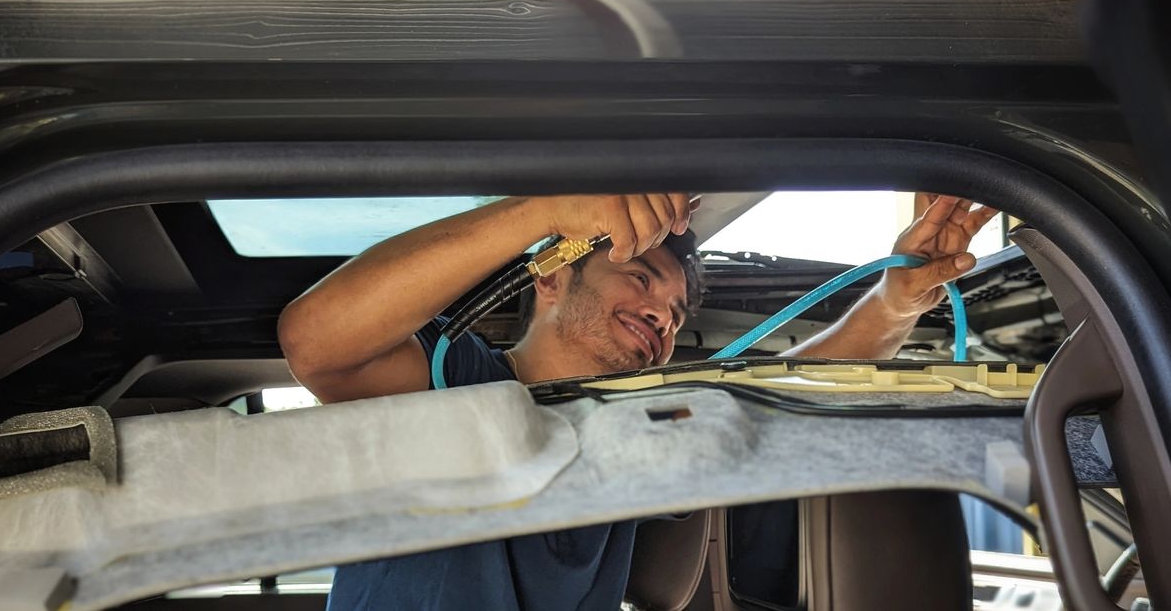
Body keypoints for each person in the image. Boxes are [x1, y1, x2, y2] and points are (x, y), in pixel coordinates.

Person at [278, 192, 998, 610]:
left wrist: (897, 301)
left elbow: (786, 393)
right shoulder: (449, 380)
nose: (665, 314)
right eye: (643, 280)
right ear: (552, 277)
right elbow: (315, 341)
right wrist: (552, 206)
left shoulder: (632, 436)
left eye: (678, 313)